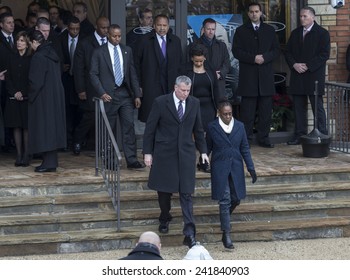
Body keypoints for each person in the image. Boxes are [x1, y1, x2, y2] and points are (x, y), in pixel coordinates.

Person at [143, 75, 209, 248]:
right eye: (183, 90)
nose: (186, 94)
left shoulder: (194, 103)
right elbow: (150, 129)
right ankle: (165, 216)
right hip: (164, 153)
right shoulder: (160, 102)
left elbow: (199, 129)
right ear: (175, 87)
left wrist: (203, 151)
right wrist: (147, 153)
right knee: (164, 192)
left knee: (186, 193)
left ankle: (189, 233)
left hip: (186, 153)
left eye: (188, 90)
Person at [89, 24, 144, 170]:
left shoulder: (127, 50)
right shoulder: (99, 52)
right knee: (109, 129)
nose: (117, 39)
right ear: (108, 35)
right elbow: (93, 74)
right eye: (114, 36)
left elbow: (132, 73)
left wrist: (137, 94)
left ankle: (131, 160)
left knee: (129, 127)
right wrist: (101, 92)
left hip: (125, 94)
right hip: (108, 95)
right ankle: (109, 160)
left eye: (119, 36)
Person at [206, 101, 257, 249]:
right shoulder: (212, 127)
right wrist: (203, 160)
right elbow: (207, 146)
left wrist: (251, 168)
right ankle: (226, 234)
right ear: (219, 113)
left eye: (230, 113)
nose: (228, 116)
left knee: (236, 199)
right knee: (225, 200)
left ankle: (225, 221)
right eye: (225, 114)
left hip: (235, 167)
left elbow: (245, 148)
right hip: (219, 167)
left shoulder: (239, 126)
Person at [232, 2, 279, 148]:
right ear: (248, 13)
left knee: (265, 111)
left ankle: (263, 138)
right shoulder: (240, 31)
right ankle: (245, 140)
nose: (254, 14)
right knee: (247, 112)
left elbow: (276, 50)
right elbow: (236, 51)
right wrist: (253, 58)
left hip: (265, 77)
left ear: (261, 13)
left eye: (256, 11)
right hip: (249, 78)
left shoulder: (270, 30)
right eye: (251, 12)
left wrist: (264, 57)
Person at [284, 6, 330, 145]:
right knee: (298, 107)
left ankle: (322, 136)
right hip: (297, 75)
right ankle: (299, 135)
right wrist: (294, 65)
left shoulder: (322, 33)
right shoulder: (295, 33)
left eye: (305, 16)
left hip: (313, 76)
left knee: (318, 108)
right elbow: (288, 52)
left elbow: (324, 54)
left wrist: (308, 66)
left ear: (313, 17)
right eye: (300, 16)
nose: (302, 19)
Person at [178, 44, 224, 172]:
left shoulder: (210, 68)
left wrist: (218, 107)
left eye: (201, 60)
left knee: (208, 134)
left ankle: (203, 160)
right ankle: (187, 161)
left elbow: (216, 88)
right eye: (196, 60)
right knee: (192, 134)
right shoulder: (184, 69)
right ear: (192, 58)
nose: (199, 63)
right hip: (191, 105)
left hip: (209, 105)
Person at [28, 30, 66, 172]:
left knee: (45, 129)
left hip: (43, 97)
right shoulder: (52, 53)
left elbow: (35, 82)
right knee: (51, 129)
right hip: (54, 96)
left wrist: (29, 96)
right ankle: (50, 161)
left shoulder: (38, 56)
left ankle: (49, 163)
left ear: (34, 42)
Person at [134, 14, 183, 123]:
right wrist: (139, 85)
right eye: (159, 25)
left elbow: (180, 64)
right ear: (154, 26)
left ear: (168, 26)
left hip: (170, 85)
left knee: (170, 118)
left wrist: (180, 84)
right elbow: (136, 65)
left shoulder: (175, 41)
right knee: (152, 119)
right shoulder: (144, 41)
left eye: (164, 25)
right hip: (150, 85)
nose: (162, 28)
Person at [72, 16, 109, 155]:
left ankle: (103, 146)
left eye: (107, 27)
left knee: (106, 117)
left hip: (107, 87)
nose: (106, 30)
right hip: (90, 86)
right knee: (89, 116)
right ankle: (77, 140)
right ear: (96, 27)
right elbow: (78, 68)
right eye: (103, 28)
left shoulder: (111, 41)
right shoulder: (85, 43)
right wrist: (80, 89)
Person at [53, 16, 82, 150]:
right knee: (66, 111)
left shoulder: (84, 40)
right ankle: (67, 140)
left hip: (79, 81)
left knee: (79, 111)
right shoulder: (60, 39)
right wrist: (61, 66)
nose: (74, 31)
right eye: (72, 29)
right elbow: (56, 57)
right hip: (65, 80)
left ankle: (78, 139)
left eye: (77, 29)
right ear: (68, 27)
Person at [4, 31, 31, 167]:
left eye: (21, 40)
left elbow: (32, 79)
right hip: (13, 97)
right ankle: (19, 155)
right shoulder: (11, 57)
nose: (19, 43)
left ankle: (26, 155)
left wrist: (23, 92)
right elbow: (8, 77)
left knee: (26, 126)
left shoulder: (31, 58)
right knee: (16, 126)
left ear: (27, 43)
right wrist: (15, 92)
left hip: (27, 97)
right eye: (17, 40)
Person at [189, 18, 230, 103]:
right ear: (203, 29)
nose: (211, 32)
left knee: (219, 109)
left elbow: (227, 63)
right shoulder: (194, 45)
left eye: (213, 29)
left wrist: (221, 73)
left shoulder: (221, 46)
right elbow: (189, 64)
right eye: (208, 29)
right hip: (200, 83)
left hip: (218, 84)